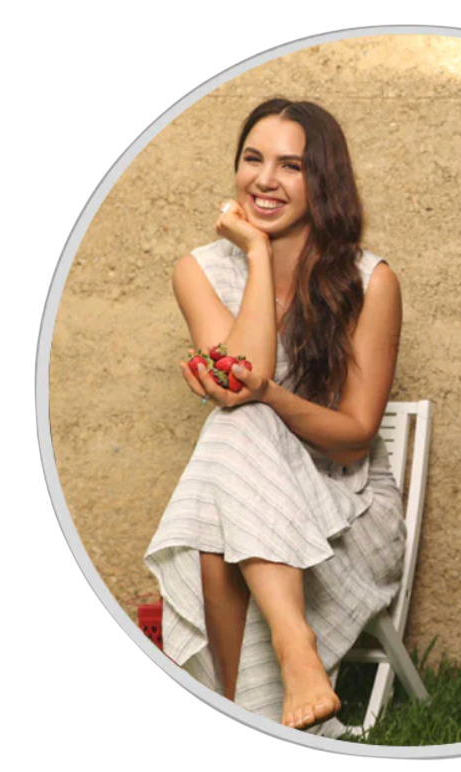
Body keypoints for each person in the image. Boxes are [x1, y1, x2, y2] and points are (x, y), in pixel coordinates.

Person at [144, 98, 405, 734]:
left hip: (348, 510)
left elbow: (352, 441)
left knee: (239, 429)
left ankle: (249, 692)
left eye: (292, 165)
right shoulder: (198, 271)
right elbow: (245, 375)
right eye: (253, 159)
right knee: (234, 439)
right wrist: (258, 256)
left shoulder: (370, 281)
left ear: (325, 180)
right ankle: (297, 659)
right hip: (244, 500)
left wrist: (265, 395)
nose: (265, 179)